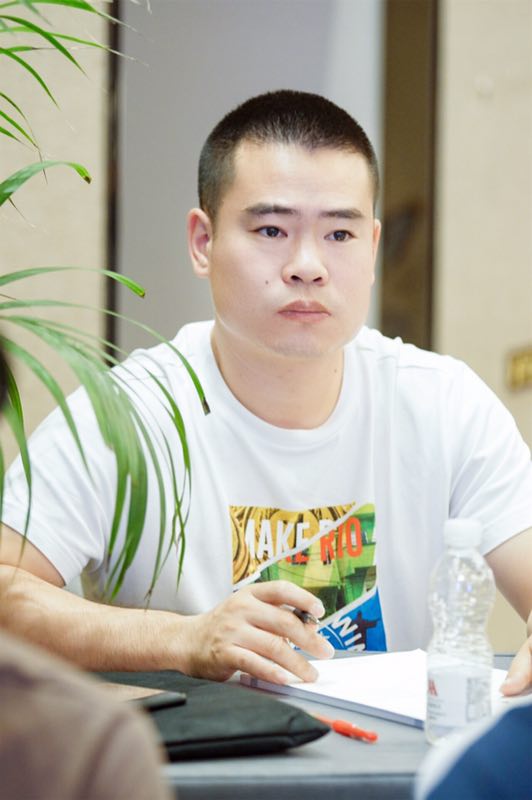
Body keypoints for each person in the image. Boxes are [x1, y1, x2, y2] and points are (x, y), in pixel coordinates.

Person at [0, 90, 531, 692]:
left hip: (398, 750)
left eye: (340, 234)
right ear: (203, 242)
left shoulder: (445, 404)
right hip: (197, 752)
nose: (307, 265)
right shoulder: (126, 415)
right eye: (272, 229)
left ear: (373, 248)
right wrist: (183, 637)